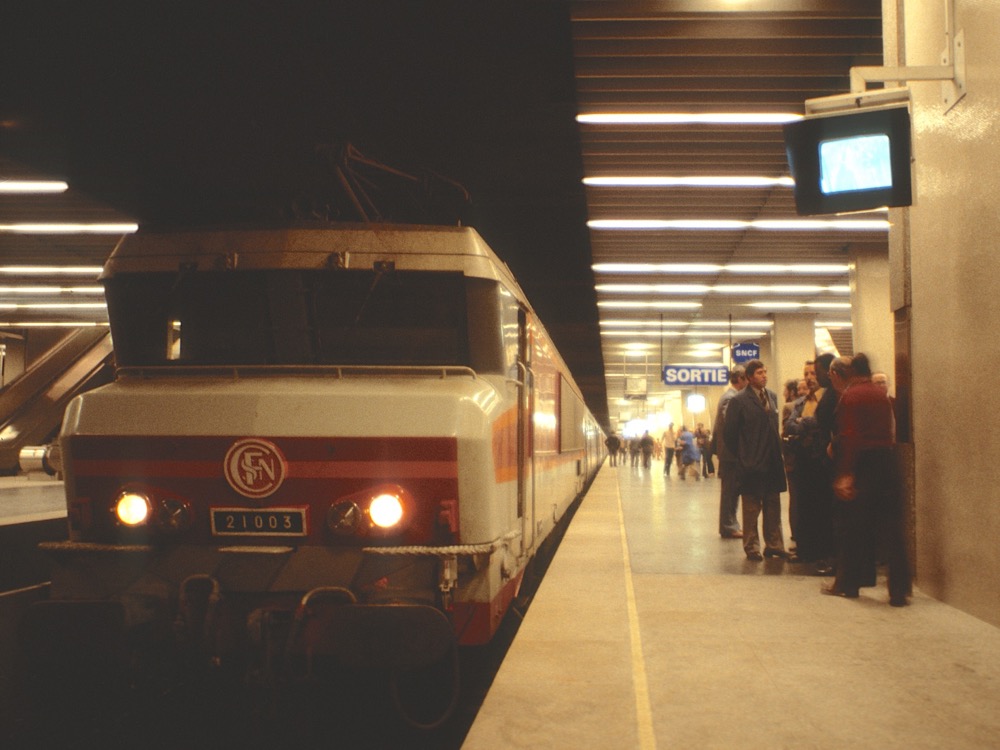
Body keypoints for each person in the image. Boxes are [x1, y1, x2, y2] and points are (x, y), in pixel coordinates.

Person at [824, 354, 911, 606]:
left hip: (863, 464)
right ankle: (899, 590)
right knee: (893, 528)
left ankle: (850, 583)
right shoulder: (879, 394)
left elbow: (851, 436)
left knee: (853, 527)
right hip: (887, 461)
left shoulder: (851, 396)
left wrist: (846, 472)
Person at [723, 359, 792, 562]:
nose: (764, 376)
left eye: (765, 372)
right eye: (760, 373)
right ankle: (752, 546)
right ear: (750, 377)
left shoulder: (771, 396)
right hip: (751, 462)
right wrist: (744, 455)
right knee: (752, 507)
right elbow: (730, 434)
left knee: (772, 504)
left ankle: (774, 545)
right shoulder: (739, 401)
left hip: (772, 461)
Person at [783, 359, 836, 574]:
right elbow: (789, 424)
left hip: (821, 460)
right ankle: (807, 549)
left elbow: (819, 422)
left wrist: (802, 425)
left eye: (813, 373)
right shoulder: (800, 402)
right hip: (802, 460)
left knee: (821, 508)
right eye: (806, 373)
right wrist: (805, 425)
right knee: (804, 506)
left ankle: (823, 552)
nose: (809, 377)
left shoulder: (828, 398)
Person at [711, 365, 747, 538]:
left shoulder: (729, 396)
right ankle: (728, 525)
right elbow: (729, 424)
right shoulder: (731, 398)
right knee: (730, 492)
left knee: (732, 491)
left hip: (729, 453)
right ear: (740, 379)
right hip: (730, 453)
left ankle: (731, 524)